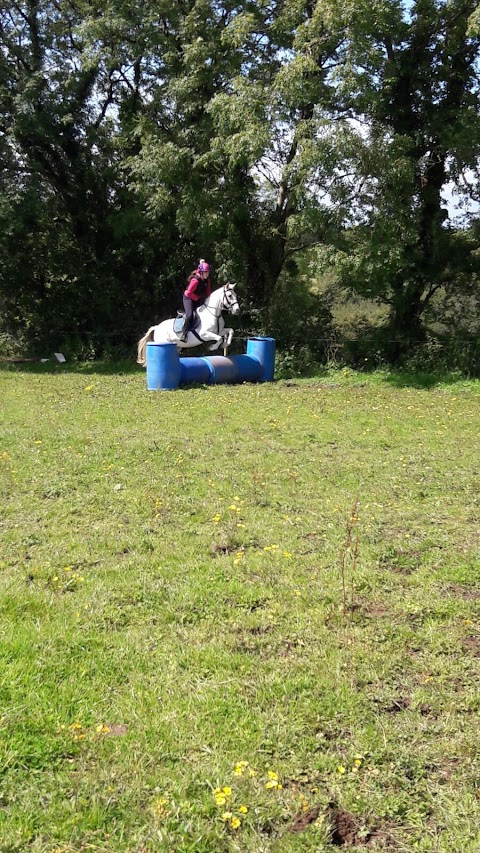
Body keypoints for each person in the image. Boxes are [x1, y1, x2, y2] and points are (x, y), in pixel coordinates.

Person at [179, 259, 212, 342]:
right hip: (188, 298)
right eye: (205, 272)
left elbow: (208, 293)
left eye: (208, 272)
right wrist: (197, 298)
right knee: (190, 315)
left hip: (198, 298)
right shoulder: (195, 281)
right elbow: (188, 293)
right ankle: (184, 334)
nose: (207, 274)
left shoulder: (207, 280)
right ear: (201, 272)